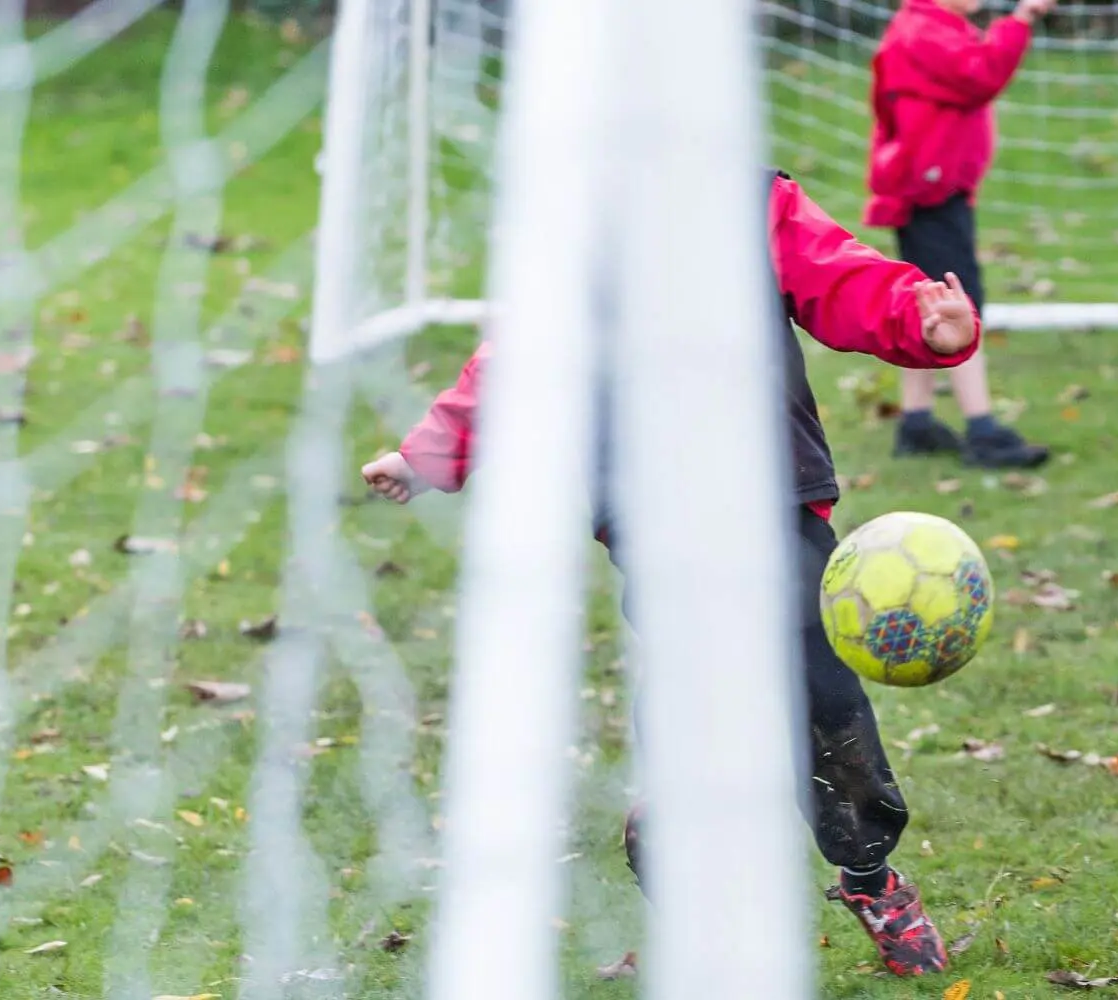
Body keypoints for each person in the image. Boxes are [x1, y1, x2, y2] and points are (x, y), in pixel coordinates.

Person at [362, 173, 984, 976]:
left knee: (823, 694)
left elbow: (847, 280)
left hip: (772, 496)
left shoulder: (753, 202)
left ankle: (870, 876)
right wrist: (428, 455)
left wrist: (922, 320)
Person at [866, 0, 1055, 468]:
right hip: (929, 192)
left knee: (925, 301)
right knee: (957, 306)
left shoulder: (929, 28)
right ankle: (982, 429)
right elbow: (981, 74)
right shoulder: (923, 33)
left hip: (930, 189)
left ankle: (917, 421)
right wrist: (1022, 20)